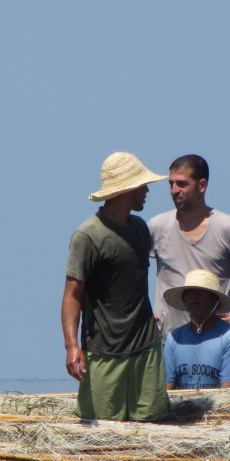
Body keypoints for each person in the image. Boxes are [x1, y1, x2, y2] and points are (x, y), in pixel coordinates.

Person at [61, 152, 171, 421]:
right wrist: (72, 346)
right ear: (128, 190)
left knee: (153, 426)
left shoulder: (140, 230)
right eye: (143, 185)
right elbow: (72, 296)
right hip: (103, 353)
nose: (147, 190)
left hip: (146, 350)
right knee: (104, 435)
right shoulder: (88, 236)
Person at [149, 154, 230, 337]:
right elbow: (130, 271)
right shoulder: (157, 226)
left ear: (202, 185)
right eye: (171, 184)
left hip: (214, 339)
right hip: (167, 341)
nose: (174, 190)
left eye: (182, 184)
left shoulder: (228, 228)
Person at [162, 270, 230, 390]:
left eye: (200, 293)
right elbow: (168, 389)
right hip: (181, 406)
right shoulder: (174, 339)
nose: (192, 296)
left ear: (215, 300)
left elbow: (228, 392)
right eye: (188, 293)